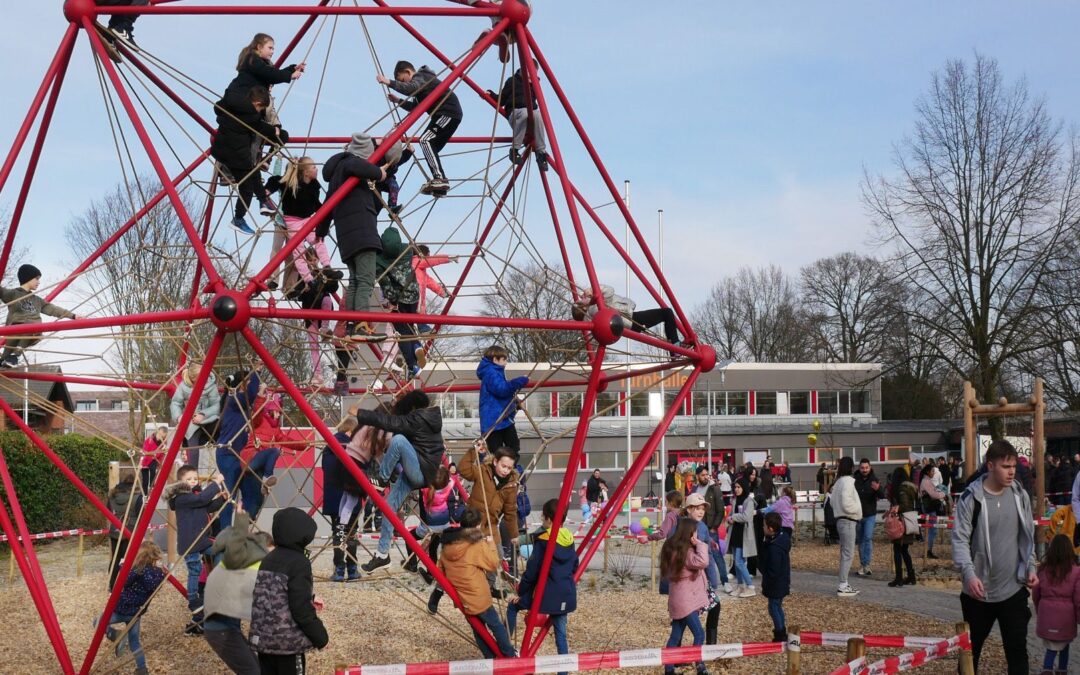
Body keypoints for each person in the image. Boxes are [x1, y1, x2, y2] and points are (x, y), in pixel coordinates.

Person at [952, 439, 1036, 674]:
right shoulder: (971, 498)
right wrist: (969, 575)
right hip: (978, 593)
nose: (1011, 472)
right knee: (970, 653)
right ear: (990, 466)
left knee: (1018, 651)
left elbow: (1027, 536)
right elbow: (959, 539)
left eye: (1013, 467)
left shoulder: (1020, 496)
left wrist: (1031, 567)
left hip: (1013, 590)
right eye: (1005, 467)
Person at [355, 390, 448, 572]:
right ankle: (383, 555)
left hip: (420, 472)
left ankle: (382, 478)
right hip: (417, 470)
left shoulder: (419, 417)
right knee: (388, 509)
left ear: (412, 406)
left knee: (398, 440)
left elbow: (391, 422)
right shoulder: (428, 418)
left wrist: (360, 414)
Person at [320, 132, 398, 344]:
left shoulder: (337, 176)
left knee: (355, 281)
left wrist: (320, 230)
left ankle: (354, 325)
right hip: (363, 232)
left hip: (346, 236)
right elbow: (360, 166)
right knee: (365, 280)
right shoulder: (350, 165)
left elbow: (326, 208)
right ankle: (361, 325)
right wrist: (379, 174)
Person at [249, 508, 328, 673]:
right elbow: (301, 609)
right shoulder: (299, 563)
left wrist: (311, 597)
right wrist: (320, 637)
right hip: (287, 645)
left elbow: (272, 593)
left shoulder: (268, 559)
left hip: (263, 641)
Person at [435, 508, 517, 657]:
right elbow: (493, 564)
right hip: (478, 596)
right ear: (477, 526)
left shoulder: (447, 544)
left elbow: (439, 569)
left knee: (479, 632)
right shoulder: (475, 544)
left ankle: (491, 659)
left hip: (462, 598)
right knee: (496, 626)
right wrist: (490, 544)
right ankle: (509, 656)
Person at [506, 499, 577, 670]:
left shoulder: (545, 541)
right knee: (561, 635)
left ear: (549, 520)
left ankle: (504, 649)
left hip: (545, 596)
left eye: (544, 517)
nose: (543, 520)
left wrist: (521, 592)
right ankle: (563, 672)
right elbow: (575, 565)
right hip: (566, 595)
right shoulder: (569, 538)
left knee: (513, 607)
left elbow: (532, 571)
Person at [378, 61, 463, 196]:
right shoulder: (424, 86)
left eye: (402, 80)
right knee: (430, 146)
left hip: (447, 112)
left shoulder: (421, 77)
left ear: (407, 72)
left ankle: (440, 179)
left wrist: (389, 82)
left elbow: (410, 88)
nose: (404, 83)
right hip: (444, 115)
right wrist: (398, 101)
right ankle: (439, 187)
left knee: (425, 140)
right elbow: (415, 107)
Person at [211, 85, 288, 234]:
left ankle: (263, 200)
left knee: (253, 175)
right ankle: (239, 218)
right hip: (236, 156)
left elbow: (220, 106)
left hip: (224, 152)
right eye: (261, 109)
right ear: (257, 104)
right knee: (246, 188)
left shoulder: (233, 106)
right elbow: (262, 127)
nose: (260, 112)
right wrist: (277, 131)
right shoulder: (250, 115)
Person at [204, 512, 268, 675]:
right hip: (221, 630)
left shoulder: (224, 558)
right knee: (253, 671)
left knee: (256, 668)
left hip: (226, 628)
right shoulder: (233, 563)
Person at [165, 465, 225, 636]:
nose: (193, 482)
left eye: (195, 479)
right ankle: (193, 599)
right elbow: (202, 500)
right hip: (190, 543)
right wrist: (216, 483)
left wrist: (222, 499)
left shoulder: (194, 496)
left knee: (222, 548)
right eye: (189, 479)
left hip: (201, 541)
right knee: (194, 570)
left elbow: (207, 506)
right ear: (181, 483)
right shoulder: (182, 498)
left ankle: (217, 579)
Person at [265, 157, 342, 286]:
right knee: (298, 251)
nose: (316, 169)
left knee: (319, 238)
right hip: (291, 222)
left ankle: (327, 266)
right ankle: (308, 280)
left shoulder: (314, 185)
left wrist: (328, 214)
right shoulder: (290, 183)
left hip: (307, 220)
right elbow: (275, 180)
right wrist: (267, 190)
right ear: (305, 172)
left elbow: (316, 205)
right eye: (313, 167)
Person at [101, 541, 166, 675]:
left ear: (141, 555)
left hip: (123, 609)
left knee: (98, 622)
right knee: (135, 642)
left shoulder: (137, 570)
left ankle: (115, 634)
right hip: (136, 613)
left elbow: (124, 581)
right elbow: (152, 586)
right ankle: (142, 669)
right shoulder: (158, 573)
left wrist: (123, 566)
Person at [659, 518, 710, 675]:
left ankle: (668, 669)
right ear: (689, 534)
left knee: (675, 635)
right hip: (686, 602)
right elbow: (703, 561)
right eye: (695, 532)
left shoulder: (672, 549)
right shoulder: (686, 553)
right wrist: (699, 544)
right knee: (699, 633)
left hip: (677, 599)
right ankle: (700, 666)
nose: (697, 534)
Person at [572, 285, 687, 354]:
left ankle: (674, 348)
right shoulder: (596, 307)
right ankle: (675, 347)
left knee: (665, 314)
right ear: (584, 307)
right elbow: (609, 291)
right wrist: (593, 290)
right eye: (582, 299)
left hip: (629, 323)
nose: (583, 297)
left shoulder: (592, 315)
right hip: (632, 320)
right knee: (667, 313)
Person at [374, 222, 425, 378]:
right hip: (414, 293)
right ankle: (416, 345)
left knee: (401, 332)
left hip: (400, 298)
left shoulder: (380, 261)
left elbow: (386, 286)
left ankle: (412, 365)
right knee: (409, 326)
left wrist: (392, 300)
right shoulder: (407, 252)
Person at [0, 264, 76, 368]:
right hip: (14, 329)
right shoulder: (13, 294)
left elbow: (53, 309)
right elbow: (2, 291)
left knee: (29, 328)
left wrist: (73, 316)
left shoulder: (37, 300)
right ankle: (5, 359)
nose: (38, 282)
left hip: (32, 330)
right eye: (36, 279)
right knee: (7, 353)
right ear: (28, 278)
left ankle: (15, 356)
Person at [458, 439, 520, 557]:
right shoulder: (483, 471)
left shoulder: (511, 485)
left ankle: (491, 576)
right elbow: (463, 469)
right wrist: (473, 451)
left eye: (509, 468)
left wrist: (514, 535)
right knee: (471, 557)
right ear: (496, 462)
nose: (506, 471)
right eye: (504, 466)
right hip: (473, 523)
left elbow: (510, 511)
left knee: (497, 557)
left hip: (490, 526)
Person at [216, 370, 261, 528]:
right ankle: (225, 533)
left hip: (241, 455)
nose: (251, 385)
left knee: (253, 493)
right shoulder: (233, 399)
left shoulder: (243, 405)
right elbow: (252, 393)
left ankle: (241, 529)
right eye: (248, 382)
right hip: (228, 454)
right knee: (229, 496)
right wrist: (257, 372)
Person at [1033, 533, 1080, 674]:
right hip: (1066, 618)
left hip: (1047, 614)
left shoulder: (1043, 570)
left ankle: (1047, 670)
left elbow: (1036, 594)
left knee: (1051, 647)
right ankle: (1062, 670)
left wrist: (1039, 610)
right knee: (1065, 645)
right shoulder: (1076, 572)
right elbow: (1078, 598)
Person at [681, 493, 722, 642]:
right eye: (697, 508)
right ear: (688, 509)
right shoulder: (683, 527)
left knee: (715, 606)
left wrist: (710, 541)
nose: (701, 512)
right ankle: (676, 654)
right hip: (689, 579)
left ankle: (711, 645)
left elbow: (707, 555)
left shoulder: (702, 526)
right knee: (685, 617)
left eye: (703, 508)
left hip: (702, 577)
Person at [238, 393, 286, 518]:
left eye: (279, 413)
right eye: (276, 412)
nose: (278, 415)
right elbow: (257, 413)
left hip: (257, 467)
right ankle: (267, 477)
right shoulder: (260, 421)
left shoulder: (275, 429)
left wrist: (306, 444)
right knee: (274, 451)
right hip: (250, 460)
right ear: (269, 411)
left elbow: (287, 439)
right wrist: (260, 397)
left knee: (257, 498)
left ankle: (247, 520)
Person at [494, 61, 548, 170]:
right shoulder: (512, 81)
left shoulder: (535, 85)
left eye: (534, 72)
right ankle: (514, 149)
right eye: (529, 71)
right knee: (525, 113)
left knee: (538, 115)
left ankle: (541, 153)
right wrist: (491, 95)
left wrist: (534, 83)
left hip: (530, 117)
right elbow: (502, 99)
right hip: (516, 113)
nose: (531, 74)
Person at [170, 358, 221, 470]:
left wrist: (203, 415)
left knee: (225, 427)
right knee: (193, 449)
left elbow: (217, 405)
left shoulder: (210, 386)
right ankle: (193, 476)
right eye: (201, 376)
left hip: (209, 421)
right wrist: (179, 417)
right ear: (193, 378)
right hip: (192, 423)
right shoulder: (184, 387)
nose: (205, 378)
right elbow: (175, 403)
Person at [477, 345, 529, 454]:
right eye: (504, 359)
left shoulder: (494, 371)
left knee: (511, 446)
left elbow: (500, 394)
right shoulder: (491, 373)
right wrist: (520, 381)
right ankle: (509, 469)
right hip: (496, 421)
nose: (506, 363)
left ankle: (510, 468)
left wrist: (515, 403)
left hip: (500, 419)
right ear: (495, 359)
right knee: (504, 449)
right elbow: (502, 389)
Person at [830, 456, 861, 597]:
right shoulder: (848, 482)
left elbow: (832, 502)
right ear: (851, 467)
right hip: (848, 520)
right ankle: (843, 585)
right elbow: (846, 501)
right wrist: (857, 510)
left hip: (840, 520)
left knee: (845, 553)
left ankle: (844, 583)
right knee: (848, 554)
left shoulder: (837, 482)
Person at [107, 473, 143, 591]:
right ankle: (126, 585)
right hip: (130, 530)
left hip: (115, 530)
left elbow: (108, 510)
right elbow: (140, 515)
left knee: (116, 558)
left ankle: (112, 585)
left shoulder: (112, 496)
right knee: (128, 559)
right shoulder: (137, 497)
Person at [759, 512, 791, 643]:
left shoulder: (775, 548)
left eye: (764, 526)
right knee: (777, 607)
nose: (763, 528)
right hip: (781, 582)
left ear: (770, 529)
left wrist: (766, 575)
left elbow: (773, 570)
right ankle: (781, 630)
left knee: (774, 608)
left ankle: (780, 633)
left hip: (776, 584)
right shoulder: (780, 539)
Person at [701, 469, 733, 595]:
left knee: (717, 555)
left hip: (710, 528)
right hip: (698, 528)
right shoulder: (695, 489)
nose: (705, 477)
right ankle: (705, 582)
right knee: (700, 556)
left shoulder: (714, 488)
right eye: (702, 475)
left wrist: (714, 526)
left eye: (706, 474)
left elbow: (721, 510)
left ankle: (725, 581)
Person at [412, 245, 456, 332]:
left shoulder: (421, 270)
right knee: (418, 313)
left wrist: (443, 292)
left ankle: (423, 329)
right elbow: (433, 260)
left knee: (419, 313)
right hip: (415, 294)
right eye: (428, 255)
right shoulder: (416, 261)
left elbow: (430, 282)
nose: (429, 257)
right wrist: (449, 258)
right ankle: (423, 329)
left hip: (417, 296)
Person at [725, 479, 757, 597]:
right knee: (736, 562)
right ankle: (740, 586)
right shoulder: (734, 500)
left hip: (743, 536)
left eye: (739, 487)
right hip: (735, 534)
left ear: (744, 487)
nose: (736, 489)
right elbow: (729, 516)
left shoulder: (749, 501)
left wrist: (733, 517)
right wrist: (730, 518)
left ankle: (750, 587)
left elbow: (747, 517)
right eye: (735, 487)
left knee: (739, 562)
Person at [853, 458, 883, 577]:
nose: (864, 470)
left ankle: (867, 564)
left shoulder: (874, 480)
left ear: (870, 468)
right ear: (859, 468)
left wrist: (878, 489)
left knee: (868, 538)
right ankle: (862, 564)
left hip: (870, 514)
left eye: (866, 468)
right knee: (860, 540)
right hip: (858, 514)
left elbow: (882, 495)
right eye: (862, 468)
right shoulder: (854, 480)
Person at [888, 475, 918, 587]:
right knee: (905, 551)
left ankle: (899, 578)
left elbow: (904, 505)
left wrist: (896, 508)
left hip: (901, 524)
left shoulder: (902, 490)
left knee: (897, 550)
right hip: (909, 522)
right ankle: (911, 576)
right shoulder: (911, 488)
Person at [919, 464, 947, 559]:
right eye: (932, 471)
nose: (933, 473)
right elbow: (934, 494)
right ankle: (928, 550)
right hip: (929, 508)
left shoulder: (925, 480)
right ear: (927, 472)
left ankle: (928, 550)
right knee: (932, 530)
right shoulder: (926, 481)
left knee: (930, 529)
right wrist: (943, 494)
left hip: (929, 507)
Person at [138, 426, 168, 494]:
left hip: (154, 460)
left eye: (163, 436)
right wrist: (141, 462)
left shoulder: (163, 443)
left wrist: (160, 461)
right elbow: (145, 451)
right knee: (145, 480)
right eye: (160, 434)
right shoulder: (149, 439)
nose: (161, 437)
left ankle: (151, 486)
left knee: (153, 470)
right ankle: (144, 494)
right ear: (159, 432)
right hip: (146, 460)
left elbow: (161, 455)